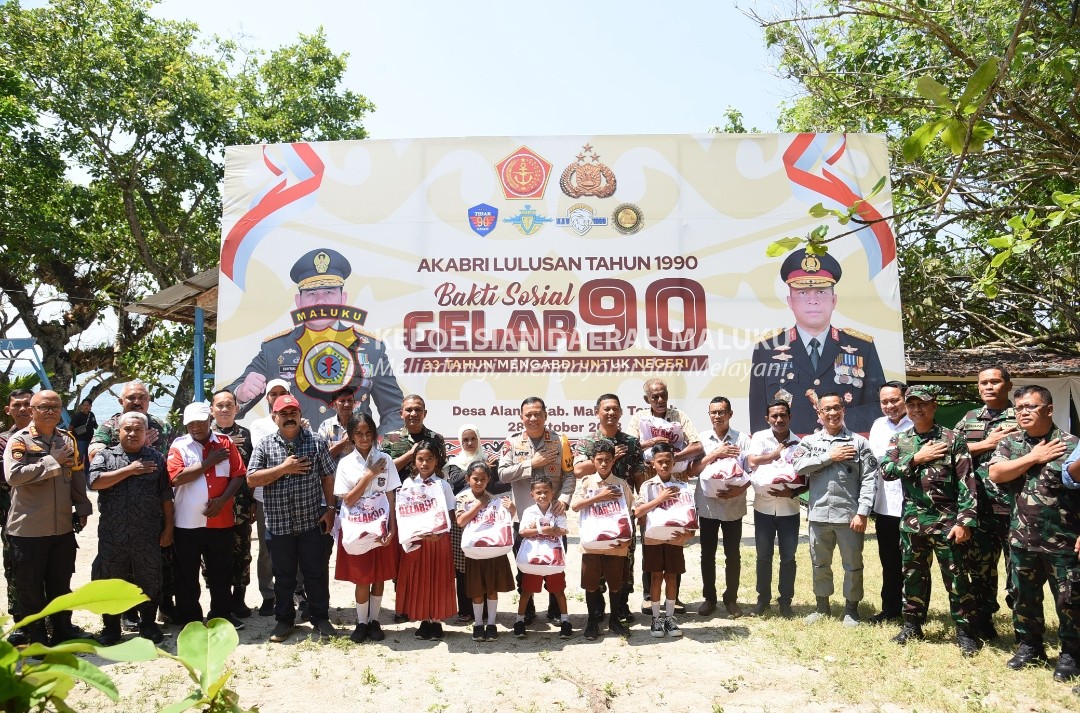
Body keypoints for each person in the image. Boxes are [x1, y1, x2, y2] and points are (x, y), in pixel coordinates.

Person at [227, 248, 404, 433]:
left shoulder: (371, 349)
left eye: (329, 292)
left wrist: (376, 445)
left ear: (343, 298)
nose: (320, 301)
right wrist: (240, 394)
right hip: (297, 458)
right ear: (299, 301)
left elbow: (394, 410)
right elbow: (225, 400)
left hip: (353, 457)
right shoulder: (275, 349)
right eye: (311, 293)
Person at [987, 385, 1080, 682]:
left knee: (1069, 600)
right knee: (1023, 597)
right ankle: (1030, 647)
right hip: (1021, 538)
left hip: (1063, 539)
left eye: (1031, 407)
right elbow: (997, 473)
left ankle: (1071, 654)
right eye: (1019, 408)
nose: (1023, 412)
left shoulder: (1071, 444)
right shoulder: (1011, 442)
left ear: (1049, 409)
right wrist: (1034, 457)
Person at [881, 386, 980, 655]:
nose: (916, 410)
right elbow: (886, 471)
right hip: (913, 524)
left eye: (922, 404)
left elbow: (967, 483)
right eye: (911, 405)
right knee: (913, 577)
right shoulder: (900, 440)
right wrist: (915, 459)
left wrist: (965, 522)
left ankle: (965, 631)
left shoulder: (952, 439)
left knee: (957, 580)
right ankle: (912, 625)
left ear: (934, 406)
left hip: (947, 523)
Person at [749, 248, 886, 435]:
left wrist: (839, 420)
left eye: (821, 292)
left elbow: (878, 407)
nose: (813, 301)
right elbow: (758, 412)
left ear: (834, 300)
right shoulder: (767, 349)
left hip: (847, 449)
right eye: (803, 293)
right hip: (789, 454)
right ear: (790, 301)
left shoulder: (862, 347)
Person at [247, 394, 339, 643]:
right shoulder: (265, 445)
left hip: (311, 522)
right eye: (283, 413)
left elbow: (328, 476)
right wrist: (283, 469)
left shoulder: (317, 442)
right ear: (274, 417)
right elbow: (252, 479)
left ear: (300, 416)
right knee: (284, 576)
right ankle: (284, 620)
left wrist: (330, 508)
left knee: (315, 573)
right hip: (278, 524)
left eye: (293, 413)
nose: (289, 417)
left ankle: (320, 618)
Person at [2, 390, 92, 645]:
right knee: (30, 590)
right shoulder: (19, 441)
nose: (50, 411)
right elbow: (14, 476)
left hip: (62, 528)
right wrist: (52, 462)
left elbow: (76, 475)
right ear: (32, 411)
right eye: (44, 407)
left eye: (55, 406)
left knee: (60, 585)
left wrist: (83, 508)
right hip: (28, 530)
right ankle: (38, 638)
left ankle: (63, 632)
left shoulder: (67, 440)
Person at [89, 380, 174, 627]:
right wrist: (134, 447)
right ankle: (123, 617)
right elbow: (95, 455)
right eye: (131, 398)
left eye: (142, 398)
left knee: (154, 568)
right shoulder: (110, 425)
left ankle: (160, 610)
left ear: (149, 400)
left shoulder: (162, 425)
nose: (137, 402)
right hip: (117, 519)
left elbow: (171, 458)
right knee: (115, 569)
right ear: (121, 401)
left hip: (151, 512)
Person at [793, 392, 879, 626]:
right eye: (827, 409)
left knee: (853, 565)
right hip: (819, 515)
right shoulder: (810, 442)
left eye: (836, 408)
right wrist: (829, 457)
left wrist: (863, 512)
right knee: (820, 563)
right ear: (819, 413)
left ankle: (851, 610)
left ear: (843, 410)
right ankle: (822, 607)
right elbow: (798, 465)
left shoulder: (859, 442)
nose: (832, 413)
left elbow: (870, 479)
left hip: (849, 517)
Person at [166, 402, 247, 628]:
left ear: (209, 420)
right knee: (186, 573)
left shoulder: (225, 442)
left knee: (221, 571)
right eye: (190, 422)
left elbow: (239, 475)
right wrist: (209, 462)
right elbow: (176, 478)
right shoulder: (179, 446)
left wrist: (222, 501)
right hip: (186, 522)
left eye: (200, 421)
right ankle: (189, 617)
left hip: (220, 521)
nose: (195, 427)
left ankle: (222, 614)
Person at [626, 378, 702, 613]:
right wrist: (649, 444)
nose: (660, 400)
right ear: (646, 399)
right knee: (650, 542)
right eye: (655, 396)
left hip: (676, 487)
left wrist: (670, 458)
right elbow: (629, 447)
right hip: (648, 487)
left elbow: (698, 446)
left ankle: (674, 597)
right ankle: (649, 596)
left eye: (663, 395)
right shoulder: (638, 418)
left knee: (674, 542)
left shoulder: (679, 416)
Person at [954, 365, 1018, 640]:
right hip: (979, 508)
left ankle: (1024, 627)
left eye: (995, 381)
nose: (988, 387)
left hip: (1017, 509)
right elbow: (949, 449)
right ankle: (983, 621)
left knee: (1018, 571)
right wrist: (987, 443)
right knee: (979, 570)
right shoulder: (969, 419)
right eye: (983, 383)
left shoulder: (1023, 415)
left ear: (1008, 385)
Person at [499, 397, 575, 624]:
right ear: (521, 417)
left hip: (554, 518)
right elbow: (502, 475)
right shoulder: (512, 443)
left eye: (537, 414)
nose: (533, 418)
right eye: (528, 414)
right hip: (522, 518)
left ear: (545, 415)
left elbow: (569, 475)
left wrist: (564, 498)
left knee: (555, 563)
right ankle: (528, 609)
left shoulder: (560, 441)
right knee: (524, 564)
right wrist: (531, 463)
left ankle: (555, 608)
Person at [573, 394, 645, 624]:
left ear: (621, 412)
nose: (611, 413)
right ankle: (597, 607)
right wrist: (610, 455)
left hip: (623, 508)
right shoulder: (587, 441)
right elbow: (577, 471)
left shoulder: (632, 442)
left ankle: (621, 604)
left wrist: (641, 507)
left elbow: (639, 476)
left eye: (615, 409)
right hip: (595, 509)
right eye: (606, 409)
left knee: (624, 557)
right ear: (597, 412)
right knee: (596, 557)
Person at [333, 413, 399, 644]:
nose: (363, 438)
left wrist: (391, 527)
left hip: (381, 525)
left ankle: (374, 620)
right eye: (358, 433)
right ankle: (361, 623)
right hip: (357, 527)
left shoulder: (385, 459)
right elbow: (348, 500)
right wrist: (369, 475)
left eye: (368, 433)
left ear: (374, 434)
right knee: (362, 576)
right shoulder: (345, 463)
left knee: (379, 576)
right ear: (351, 436)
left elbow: (390, 495)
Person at [690, 396, 750, 618]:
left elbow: (751, 471)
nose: (717, 416)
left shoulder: (742, 439)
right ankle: (710, 598)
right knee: (707, 554)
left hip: (733, 505)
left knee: (732, 554)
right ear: (709, 415)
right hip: (707, 506)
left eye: (721, 412)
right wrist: (714, 454)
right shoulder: (701, 440)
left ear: (730, 414)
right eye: (713, 412)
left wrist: (740, 489)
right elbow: (692, 471)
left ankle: (731, 599)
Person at [746, 399, 805, 618]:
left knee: (788, 557)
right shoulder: (760, 438)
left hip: (790, 510)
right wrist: (775, 453)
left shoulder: (800, 444)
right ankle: (762, 601)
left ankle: (786, 602)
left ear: (790, 417)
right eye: (774, 416)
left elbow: (806, 478)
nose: (779, 420)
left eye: (783, 415)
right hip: (763, 509)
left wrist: (792, 492)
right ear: (767, 418)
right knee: (763, 557)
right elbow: (752, 462)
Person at [571, 441, 634, 640]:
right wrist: (600, 496)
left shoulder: (621, 483)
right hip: (592, 544)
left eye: (608, 459)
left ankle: (614, 619)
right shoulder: (587, 482)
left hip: (615, 544)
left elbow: (630, 511)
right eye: (600, 460)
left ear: (613, 460)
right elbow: (575, 506)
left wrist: (627, 539)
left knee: (616, 584)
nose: (604, 463)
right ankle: (592, 621)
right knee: (591, 584)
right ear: (593, 461)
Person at [396, 441, 456, 641]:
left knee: (438, 577)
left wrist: (438, 533)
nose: (424, 463)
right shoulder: (407, 484)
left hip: (438, 540)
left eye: (429, 459)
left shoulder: (443, 485)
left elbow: (449, 513)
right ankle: (423, 618)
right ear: (414, 462)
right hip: (417, 540)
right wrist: (414, 533)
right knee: (420, 578)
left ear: (436, 460)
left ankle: (437, 620)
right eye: (420, 459)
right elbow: (404, 513)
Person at [635, 443, 694, 638]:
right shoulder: (647, 486)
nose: (664, 465)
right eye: (660, 462)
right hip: (653, 538)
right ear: (653, 463)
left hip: (675, 539)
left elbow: (690, 516)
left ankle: (669, 617)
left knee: (671, 576)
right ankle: (655, 618)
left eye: (668, 461)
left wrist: (689, 534)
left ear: (674, 462)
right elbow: (638, 512)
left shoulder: (682, 486)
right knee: (655, 577)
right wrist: (660, 498)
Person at [867, 381, 912, 624]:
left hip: (915, 506)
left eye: (894, 400)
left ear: (905, 398)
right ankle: (891, 609)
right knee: (890, 561)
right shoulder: (878, 426)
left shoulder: (917, 423)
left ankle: (915, 612)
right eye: (885, 402)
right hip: (885, 506)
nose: (890, 406)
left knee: (915, 564)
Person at [455, 462, 515, 642]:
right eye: (475, 479)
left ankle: (491, 623)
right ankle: (478, 623)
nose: (479, 482)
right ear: (468, 479)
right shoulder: (462, 498)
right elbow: (460, 521)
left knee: (492, 588)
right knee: (477, 590)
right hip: (474, 551)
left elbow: (507, 518)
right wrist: (478, 506)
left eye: (483, 479)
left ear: (489, 480)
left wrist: (511, 508)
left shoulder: (495, 499)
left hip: (493, 549)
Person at [210, 388, 255, 619]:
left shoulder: (246, 435)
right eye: (220, 405)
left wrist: (254, 501)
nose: (225, 409)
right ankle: (219, 599)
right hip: (213, 508)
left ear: (237, 409)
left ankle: (239, 598)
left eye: (229, 405)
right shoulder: (203, 434)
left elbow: (252, 471)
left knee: (242, 553)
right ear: (212, 409)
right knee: (213, 556)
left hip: (240, 508)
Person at [247, 378, 290, 616]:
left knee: (293, 548)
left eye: (282, 392)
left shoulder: (302, 423)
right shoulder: (259, 425)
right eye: (273, 393)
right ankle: (268, 594)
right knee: (266, 550)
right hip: (267, 497)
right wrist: (288, 424)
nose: (277, 396)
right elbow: (269, 453)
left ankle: (294, 593)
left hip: (295, 497)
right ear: (267, 399)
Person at [514, 474, 572, 640]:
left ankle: (565, 620)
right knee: (526, 591)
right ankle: (519, 621)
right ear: (532, 494)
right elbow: (523, 532)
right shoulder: (528, 511)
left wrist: (550, 528)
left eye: (546, 491)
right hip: (534, 555)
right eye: (538, 492)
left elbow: (564, 530)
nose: (543, 495)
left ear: (552, 492)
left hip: (553, 554)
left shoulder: (557, 509)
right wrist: (540, 530)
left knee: (558, 590)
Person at [1, 388, 34, 637]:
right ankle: (21, 623)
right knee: (15, 567)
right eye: (17, 405)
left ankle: (55, 621)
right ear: (8, 410)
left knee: (53, 569)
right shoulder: (3, 440)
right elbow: (7, 477)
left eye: (27, 404)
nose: (23, 409)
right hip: (11, 516)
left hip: (49, 516)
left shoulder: (53, 438)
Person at [318, 387, 357, 464]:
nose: (347, 404)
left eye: (350, 400)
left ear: (354, 403)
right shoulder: (326, 426)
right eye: (342, 401)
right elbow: (321, 459)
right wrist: (344, 442)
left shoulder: (362, 424)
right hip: (334, 475)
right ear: (333, 405)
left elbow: (371, 454)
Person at [70, 397, 97, 469]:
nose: (86, 407)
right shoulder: (77, 415)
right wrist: (70, 438)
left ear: (91, 406)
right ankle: (79, 471)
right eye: (84, 405)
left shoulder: (91, 415)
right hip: (80, 440)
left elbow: (95, 425)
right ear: (82, 406)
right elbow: (71, 427)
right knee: (80, 456)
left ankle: (87, 472)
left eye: (87, 405)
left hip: (90, 439)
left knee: (89, 456)